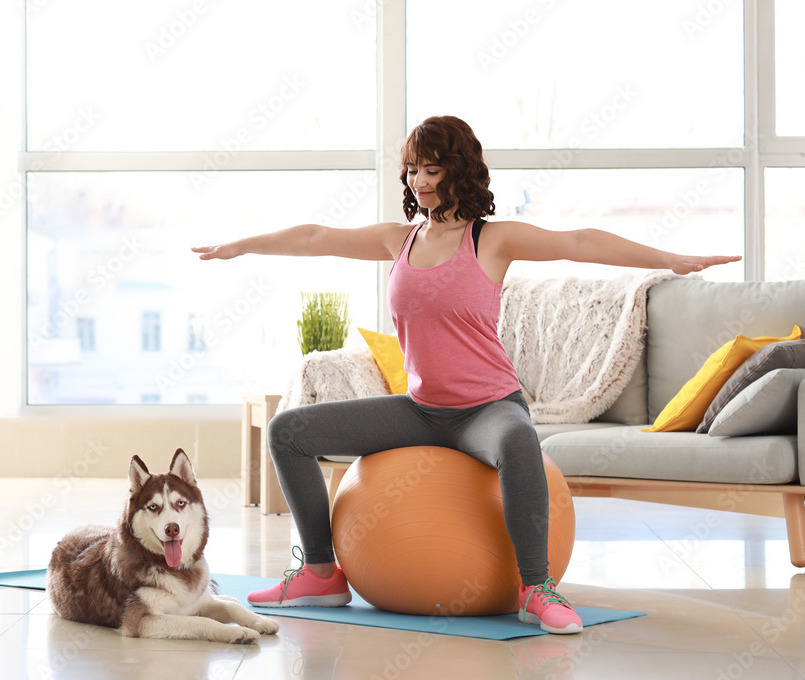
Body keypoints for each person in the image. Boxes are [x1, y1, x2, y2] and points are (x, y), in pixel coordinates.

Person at [192, 115, 741, 634]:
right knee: (290, 431)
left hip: (487, 409)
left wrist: (672, 259)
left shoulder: (490, 240)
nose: (420, 181)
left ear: (459, 170)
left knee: (520, 439)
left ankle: (535, 589)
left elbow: (580, 241)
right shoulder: (399, 240)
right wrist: (240, 246)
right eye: (413, 169)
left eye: (431, 169)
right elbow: (316, 237)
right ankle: (320, 572)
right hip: (419, 410)